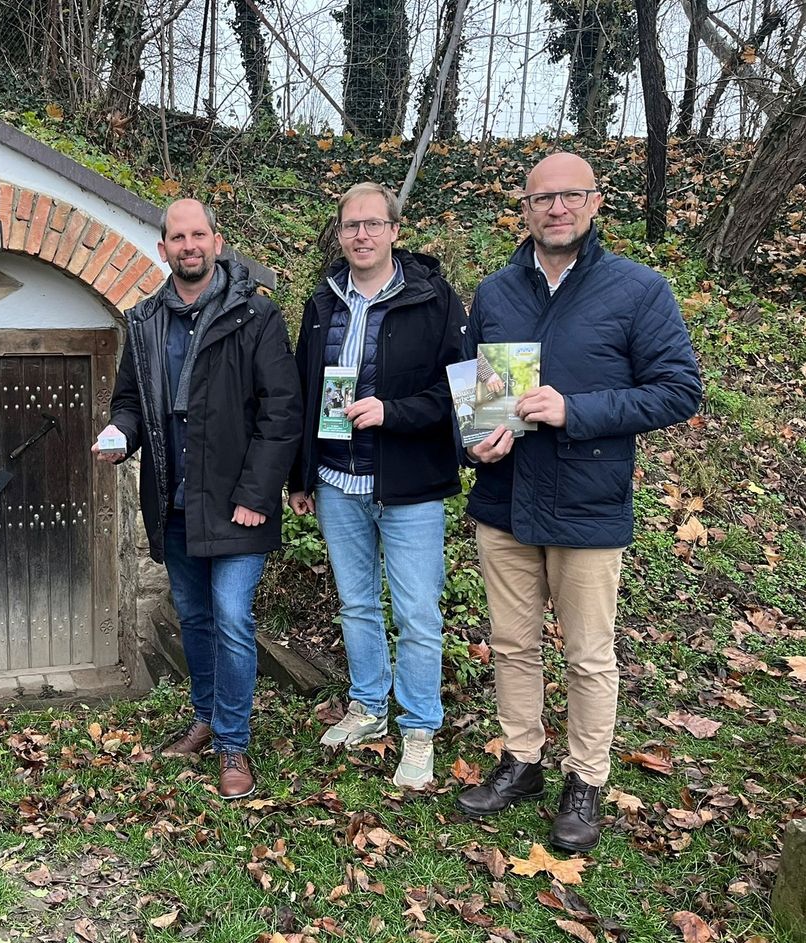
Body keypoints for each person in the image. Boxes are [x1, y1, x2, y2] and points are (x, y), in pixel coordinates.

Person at [455, 153, 701, 851]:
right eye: (542, 198)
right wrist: (475, 441)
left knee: (590, 655)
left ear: (595, 203)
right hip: (505, 501)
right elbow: (478, 397)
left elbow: (679, 389)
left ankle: (585, 778)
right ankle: (521, 760)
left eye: (570, 196)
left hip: (589, 504)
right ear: (525, 208)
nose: (556, 208)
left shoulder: (638, 290)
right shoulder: (496, 292)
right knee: (511, 643)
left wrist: (577, 409)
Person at [92, 198, 302, 800]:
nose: (189, 245)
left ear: (217, 240)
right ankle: (207, 716)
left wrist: (258, 493)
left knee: (233, 618)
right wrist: (120, 435)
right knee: (196, 618)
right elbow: (129, 401)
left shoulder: (255, 316)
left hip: (239, 501)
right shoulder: (144, 321)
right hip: (174, 500)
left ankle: (234, 743)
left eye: (199, 234)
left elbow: (281, 411)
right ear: (163, 249)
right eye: (177, 237)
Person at [287, 182, 466, 789]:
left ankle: (418, 728)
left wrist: (393, 411)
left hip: (409, 483)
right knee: (357, 604)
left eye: (372, 224)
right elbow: (304, 390)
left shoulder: (434, 300)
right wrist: (302, 473)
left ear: (395, 230)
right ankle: (369, 707)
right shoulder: (323, 303)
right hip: (339, 481)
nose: (360, 235)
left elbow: (459, 391)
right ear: (338, 235)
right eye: (349, 226)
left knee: (416, 613)